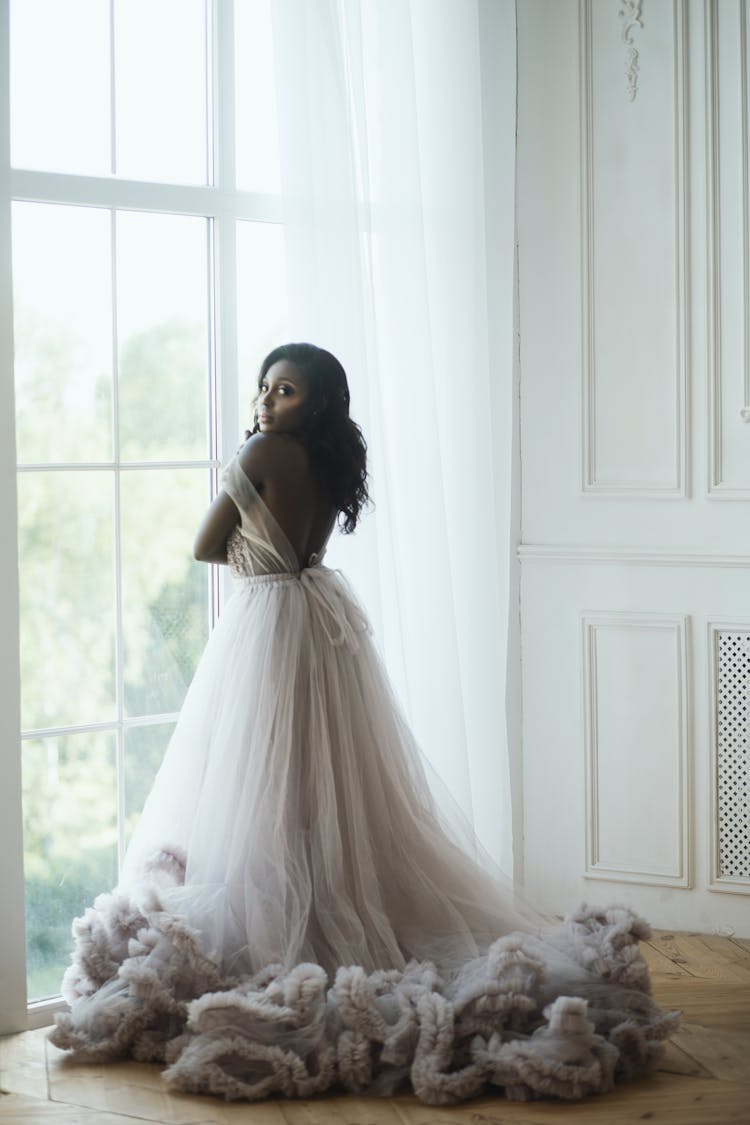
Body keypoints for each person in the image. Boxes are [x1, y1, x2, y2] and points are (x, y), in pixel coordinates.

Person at [51, 343, 678, 1105]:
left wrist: (247, 521)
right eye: (264, 387)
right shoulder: (326, 464)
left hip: (267, 622)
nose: (266, 400)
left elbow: (203, 543)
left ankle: (287, 916)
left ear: (312, 404)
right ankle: (318, 892)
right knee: (326, 781)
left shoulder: (263, 452)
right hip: (314, 615)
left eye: (285, 391)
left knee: (264, 779)